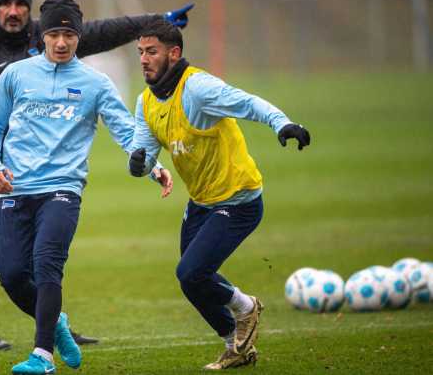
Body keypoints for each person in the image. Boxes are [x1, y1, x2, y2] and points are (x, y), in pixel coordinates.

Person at [0, 0, 192, 350]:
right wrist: (3, 144)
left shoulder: (50, 37)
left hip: (57, 178)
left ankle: (49, 335)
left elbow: (101, 31)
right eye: (6, 4)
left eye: (20, 5)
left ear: (31, 12)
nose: (13, 11)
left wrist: (155, 20)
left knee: (45, 261)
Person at [128, 19, 311, 370]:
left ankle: (246, 307)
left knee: (191, 273)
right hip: (201, 203)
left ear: (174, 53)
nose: (144, 59)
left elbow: (247, 102)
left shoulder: (198, 87)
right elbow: (143, 153)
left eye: (151, 52)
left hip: (238, 200)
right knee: (194, 281)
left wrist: (283, 123)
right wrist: (139, 164)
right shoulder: (146, 102)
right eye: (140, 53)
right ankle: (237, 347)